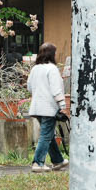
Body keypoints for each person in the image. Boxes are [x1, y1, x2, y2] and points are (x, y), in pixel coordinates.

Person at [27, 43, 68, 172]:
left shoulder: (35, 68)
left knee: (48, 134)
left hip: (36, 107)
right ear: (52, 54)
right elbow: (56, 89)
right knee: (46, 135)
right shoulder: (52, 69)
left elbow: (29, 87)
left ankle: (58, 160)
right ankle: (38, 163)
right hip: (49, 108)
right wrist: (62, 104)